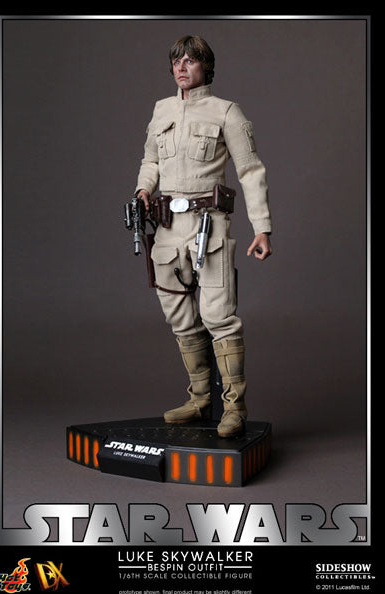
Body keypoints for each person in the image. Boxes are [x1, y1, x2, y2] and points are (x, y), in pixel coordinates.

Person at [134, 35, 272, 438]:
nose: (182, 67)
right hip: (166, 228)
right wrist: (143, 189)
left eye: (190, 60)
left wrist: (262, 227)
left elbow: (250, 171)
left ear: (205, 67)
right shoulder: (161, 110)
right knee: (178, 315)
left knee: (219, 316)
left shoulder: (226, 111)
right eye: (177, 60)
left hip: (208, 226)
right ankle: (199, 398)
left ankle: (234, 407)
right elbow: (150, 160)